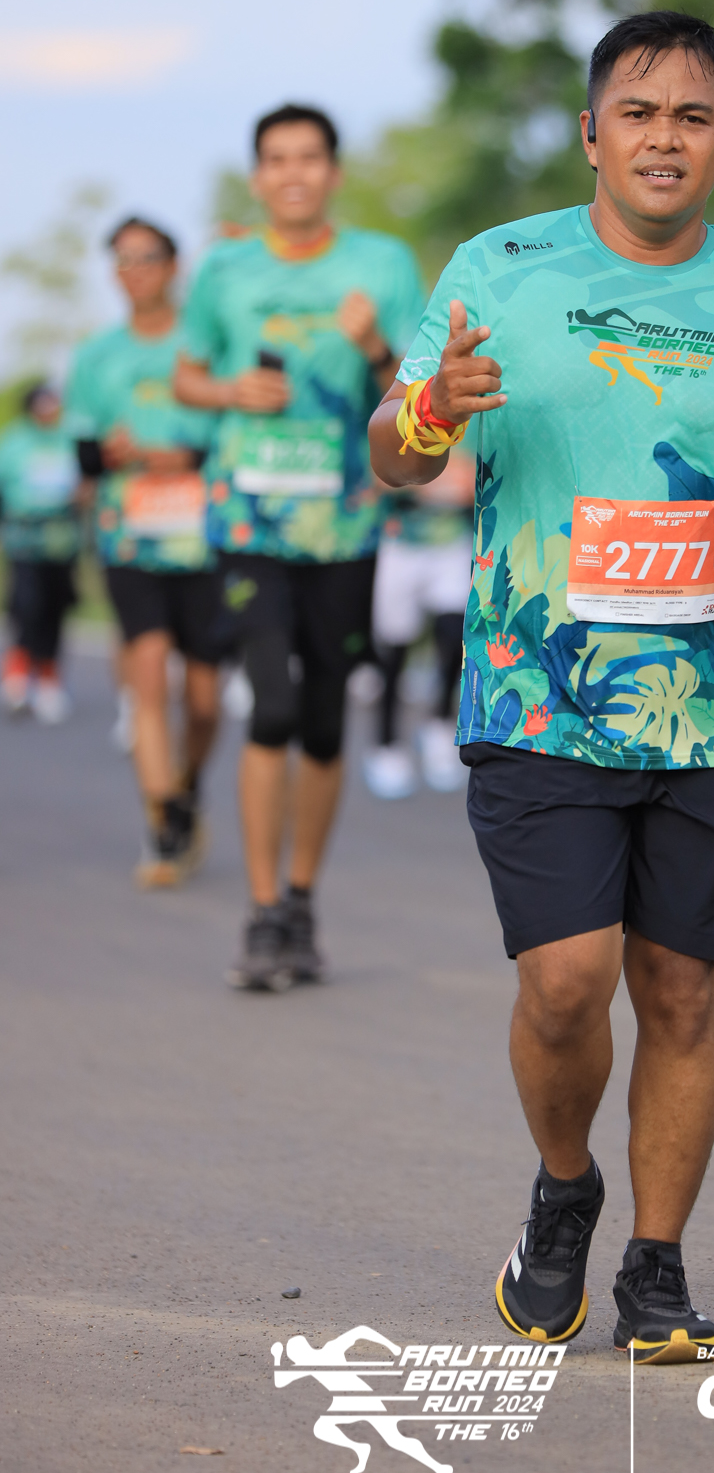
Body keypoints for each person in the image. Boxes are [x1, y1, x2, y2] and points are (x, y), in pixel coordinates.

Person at [369, 12, 714, 1363]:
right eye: (639, 113)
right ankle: (564, 1189)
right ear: (591, 134)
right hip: (537, 692)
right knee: (564, 983)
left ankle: (656, 1265)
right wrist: (432, 409)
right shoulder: (500, 270)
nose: (665, 137)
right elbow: (393, 456)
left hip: (710, 709)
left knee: (683, 993)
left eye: (692, 117)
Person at [173, 104, 425, 989]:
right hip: (248, 521)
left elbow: (414, 392)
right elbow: (186, 375)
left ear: (333, 173)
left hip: (345, 524)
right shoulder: (225, 268)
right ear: (257, 176)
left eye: (309, 158)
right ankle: (260, 909)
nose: (293, 174)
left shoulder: (381, 265)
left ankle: (302, 902)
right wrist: (228, 392)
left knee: (321, 719)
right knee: (271, 707)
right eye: (276, 159)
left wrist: (375, 346)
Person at [64, 219, 223, 886]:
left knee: (205, 700)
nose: (135, 271)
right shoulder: (96, 355)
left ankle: (186, 787)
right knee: (149, 669)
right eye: (122, 259)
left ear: (174, 265)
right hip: (129, 536)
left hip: (206, 538)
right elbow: (82, 452)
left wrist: (185, 455)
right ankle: (164, 824)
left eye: (147, 257)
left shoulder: (207, 343)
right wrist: (110, 454)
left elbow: (234, 426)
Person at [363, 445, 473, 799]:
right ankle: (386, 742)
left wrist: (459, 483)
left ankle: (440, 723)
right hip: (401, 544)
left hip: (453, 542)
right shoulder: (398, 414)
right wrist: (424, 481)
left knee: (453, 636)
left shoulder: (476, 423)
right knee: (394, 650)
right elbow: (376, 476)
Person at [0, 383, 81, 723]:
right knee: (27, 607)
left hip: (63, 542)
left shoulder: (70, 437)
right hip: (24, 541)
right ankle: (18, 675)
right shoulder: (14, 442)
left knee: (55, 609)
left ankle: (49, 679)